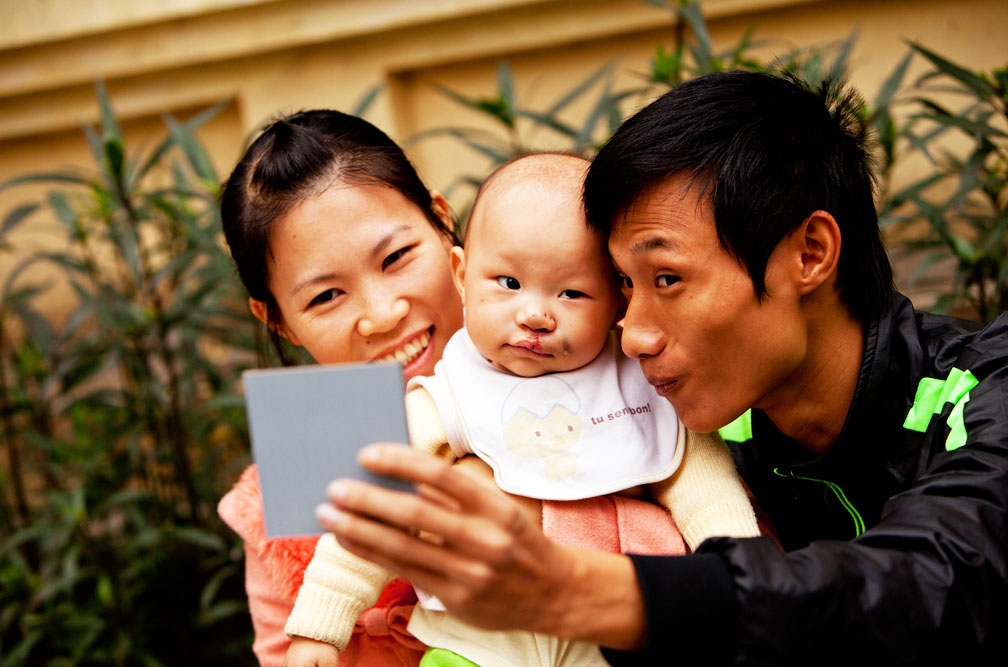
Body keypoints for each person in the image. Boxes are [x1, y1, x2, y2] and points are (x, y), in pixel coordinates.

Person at [313, 70, 1008, 664]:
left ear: (811, 252)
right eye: (623, 286)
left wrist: (575, 586)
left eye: (667, 278)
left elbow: (941, 577)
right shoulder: (673, 416)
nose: (634, 333)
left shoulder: (988, 390)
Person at [283, 153, 761, 667]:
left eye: (573, 292)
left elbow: (707, 494)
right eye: (508, 284)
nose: (534, 315)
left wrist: (750, 585)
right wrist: (320, 626)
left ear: (618, 302)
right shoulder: (448, 396)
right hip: (474, 644)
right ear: (462, 275)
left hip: (611, 637)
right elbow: (374, 511)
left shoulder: (644, 383)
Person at [215, 108, 465, 666]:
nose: (381, 315)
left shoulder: (591, 380)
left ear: (442, 220)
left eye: (396, 257)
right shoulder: (276, 520)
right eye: (326, 297)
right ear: (276, 319)